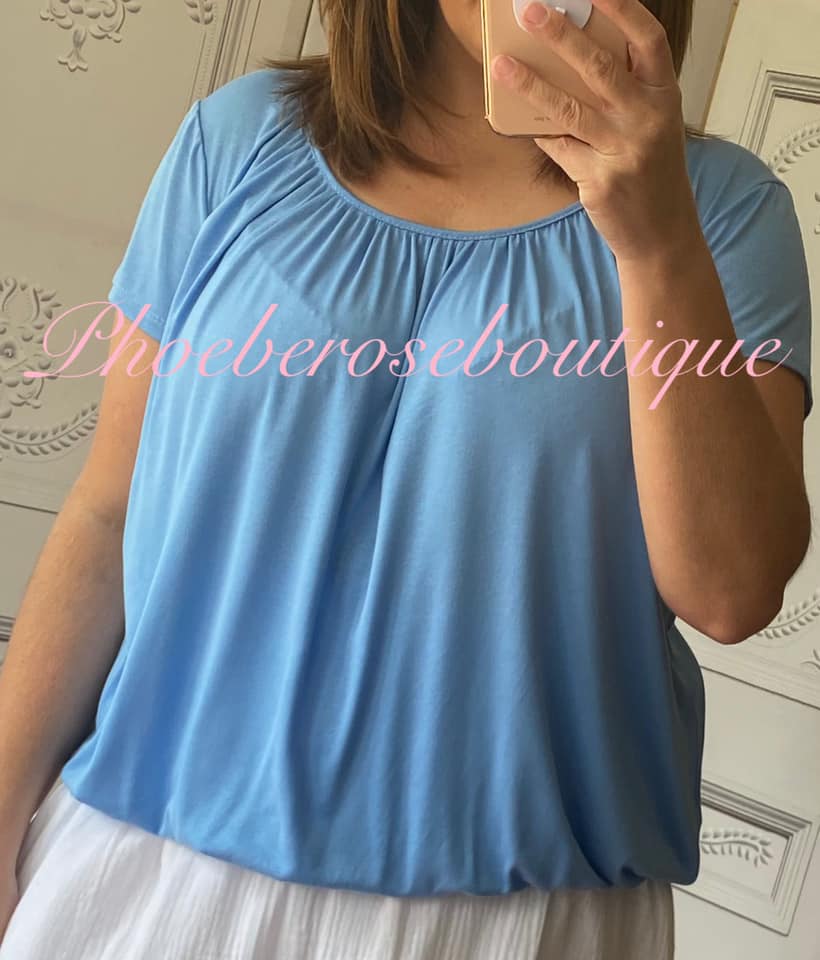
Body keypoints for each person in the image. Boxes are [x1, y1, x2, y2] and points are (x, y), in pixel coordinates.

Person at [0, 0, 813, 956]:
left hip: (517, 919)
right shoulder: (239, 141)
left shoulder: (722, 213)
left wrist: (658, 243)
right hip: (147, 879)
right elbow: (108, 511)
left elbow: (730, 592)